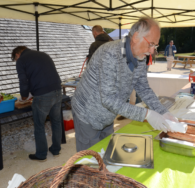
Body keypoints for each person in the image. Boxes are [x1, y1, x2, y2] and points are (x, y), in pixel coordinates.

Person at [72, 17, 178, 152]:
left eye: (155, 46)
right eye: (151, 44)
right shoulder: (109, 53)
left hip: (108, 115)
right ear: (135, 37)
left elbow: (143, 88)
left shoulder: (140, 57)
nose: (152, 51)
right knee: (89, 161)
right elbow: (108, 99)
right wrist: (147, 115)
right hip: (87, 113)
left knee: (107, 153)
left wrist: (163, 112)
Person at [11, 46, 62, 161]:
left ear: (17, 54)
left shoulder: (21, 60)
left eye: (15, 59)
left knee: (39, 125)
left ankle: (41, 154)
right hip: (57, 91)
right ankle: (56, 149)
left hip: (43, 95)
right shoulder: (43, 54)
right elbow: (41, 76)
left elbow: (23, 81)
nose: (16, 61)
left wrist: (23, 97)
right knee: (56, 122)